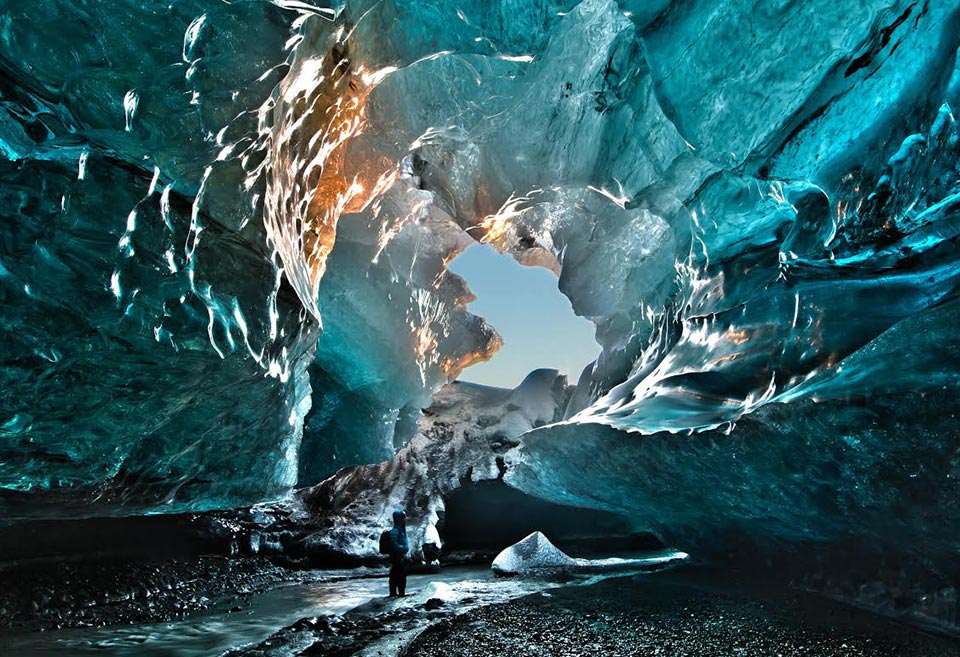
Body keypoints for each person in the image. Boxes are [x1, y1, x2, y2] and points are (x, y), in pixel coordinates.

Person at [388, 509, 409, 597]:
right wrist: (404, 548)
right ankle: (398, 594)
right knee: (400, 576)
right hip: (396, 557)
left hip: (399, 557)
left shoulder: (401, 530)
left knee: (396, 575)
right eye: (404, 518)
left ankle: (397, 593)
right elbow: (394, 544)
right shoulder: (395, 531)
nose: (405, 519)